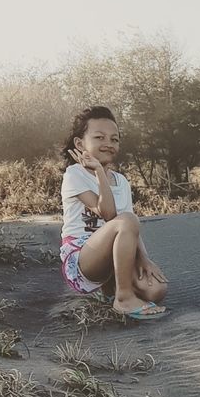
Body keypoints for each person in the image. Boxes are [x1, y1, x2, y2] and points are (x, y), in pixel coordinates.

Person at [59, 105, 168, 320]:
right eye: (99, 137)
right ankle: (124, 298)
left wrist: (144, 259)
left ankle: (110, 291)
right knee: (125, 219)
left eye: (114, 139)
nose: (108, 144)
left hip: (114, 256)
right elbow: (108, 214)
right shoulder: (74, 174)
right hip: (82, 259)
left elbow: (131, 229)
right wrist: (99, 171)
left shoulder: (122, 182)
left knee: (156, 289)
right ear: (80, 144)